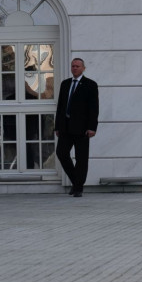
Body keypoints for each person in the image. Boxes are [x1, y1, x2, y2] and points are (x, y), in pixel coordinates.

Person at [54, 58, 99, 198]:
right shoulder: (65, 84)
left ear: (83, 68)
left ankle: (78, 188)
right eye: (73, 66)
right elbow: (60, 106)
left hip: (82, 128)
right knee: (61, 153)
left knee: (81, 159)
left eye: (77, 66)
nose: (74, 68)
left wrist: (92, 127)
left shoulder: (90, 85)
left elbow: (94, 108)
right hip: (65, 127)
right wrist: (57, 126)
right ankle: (77, 182)